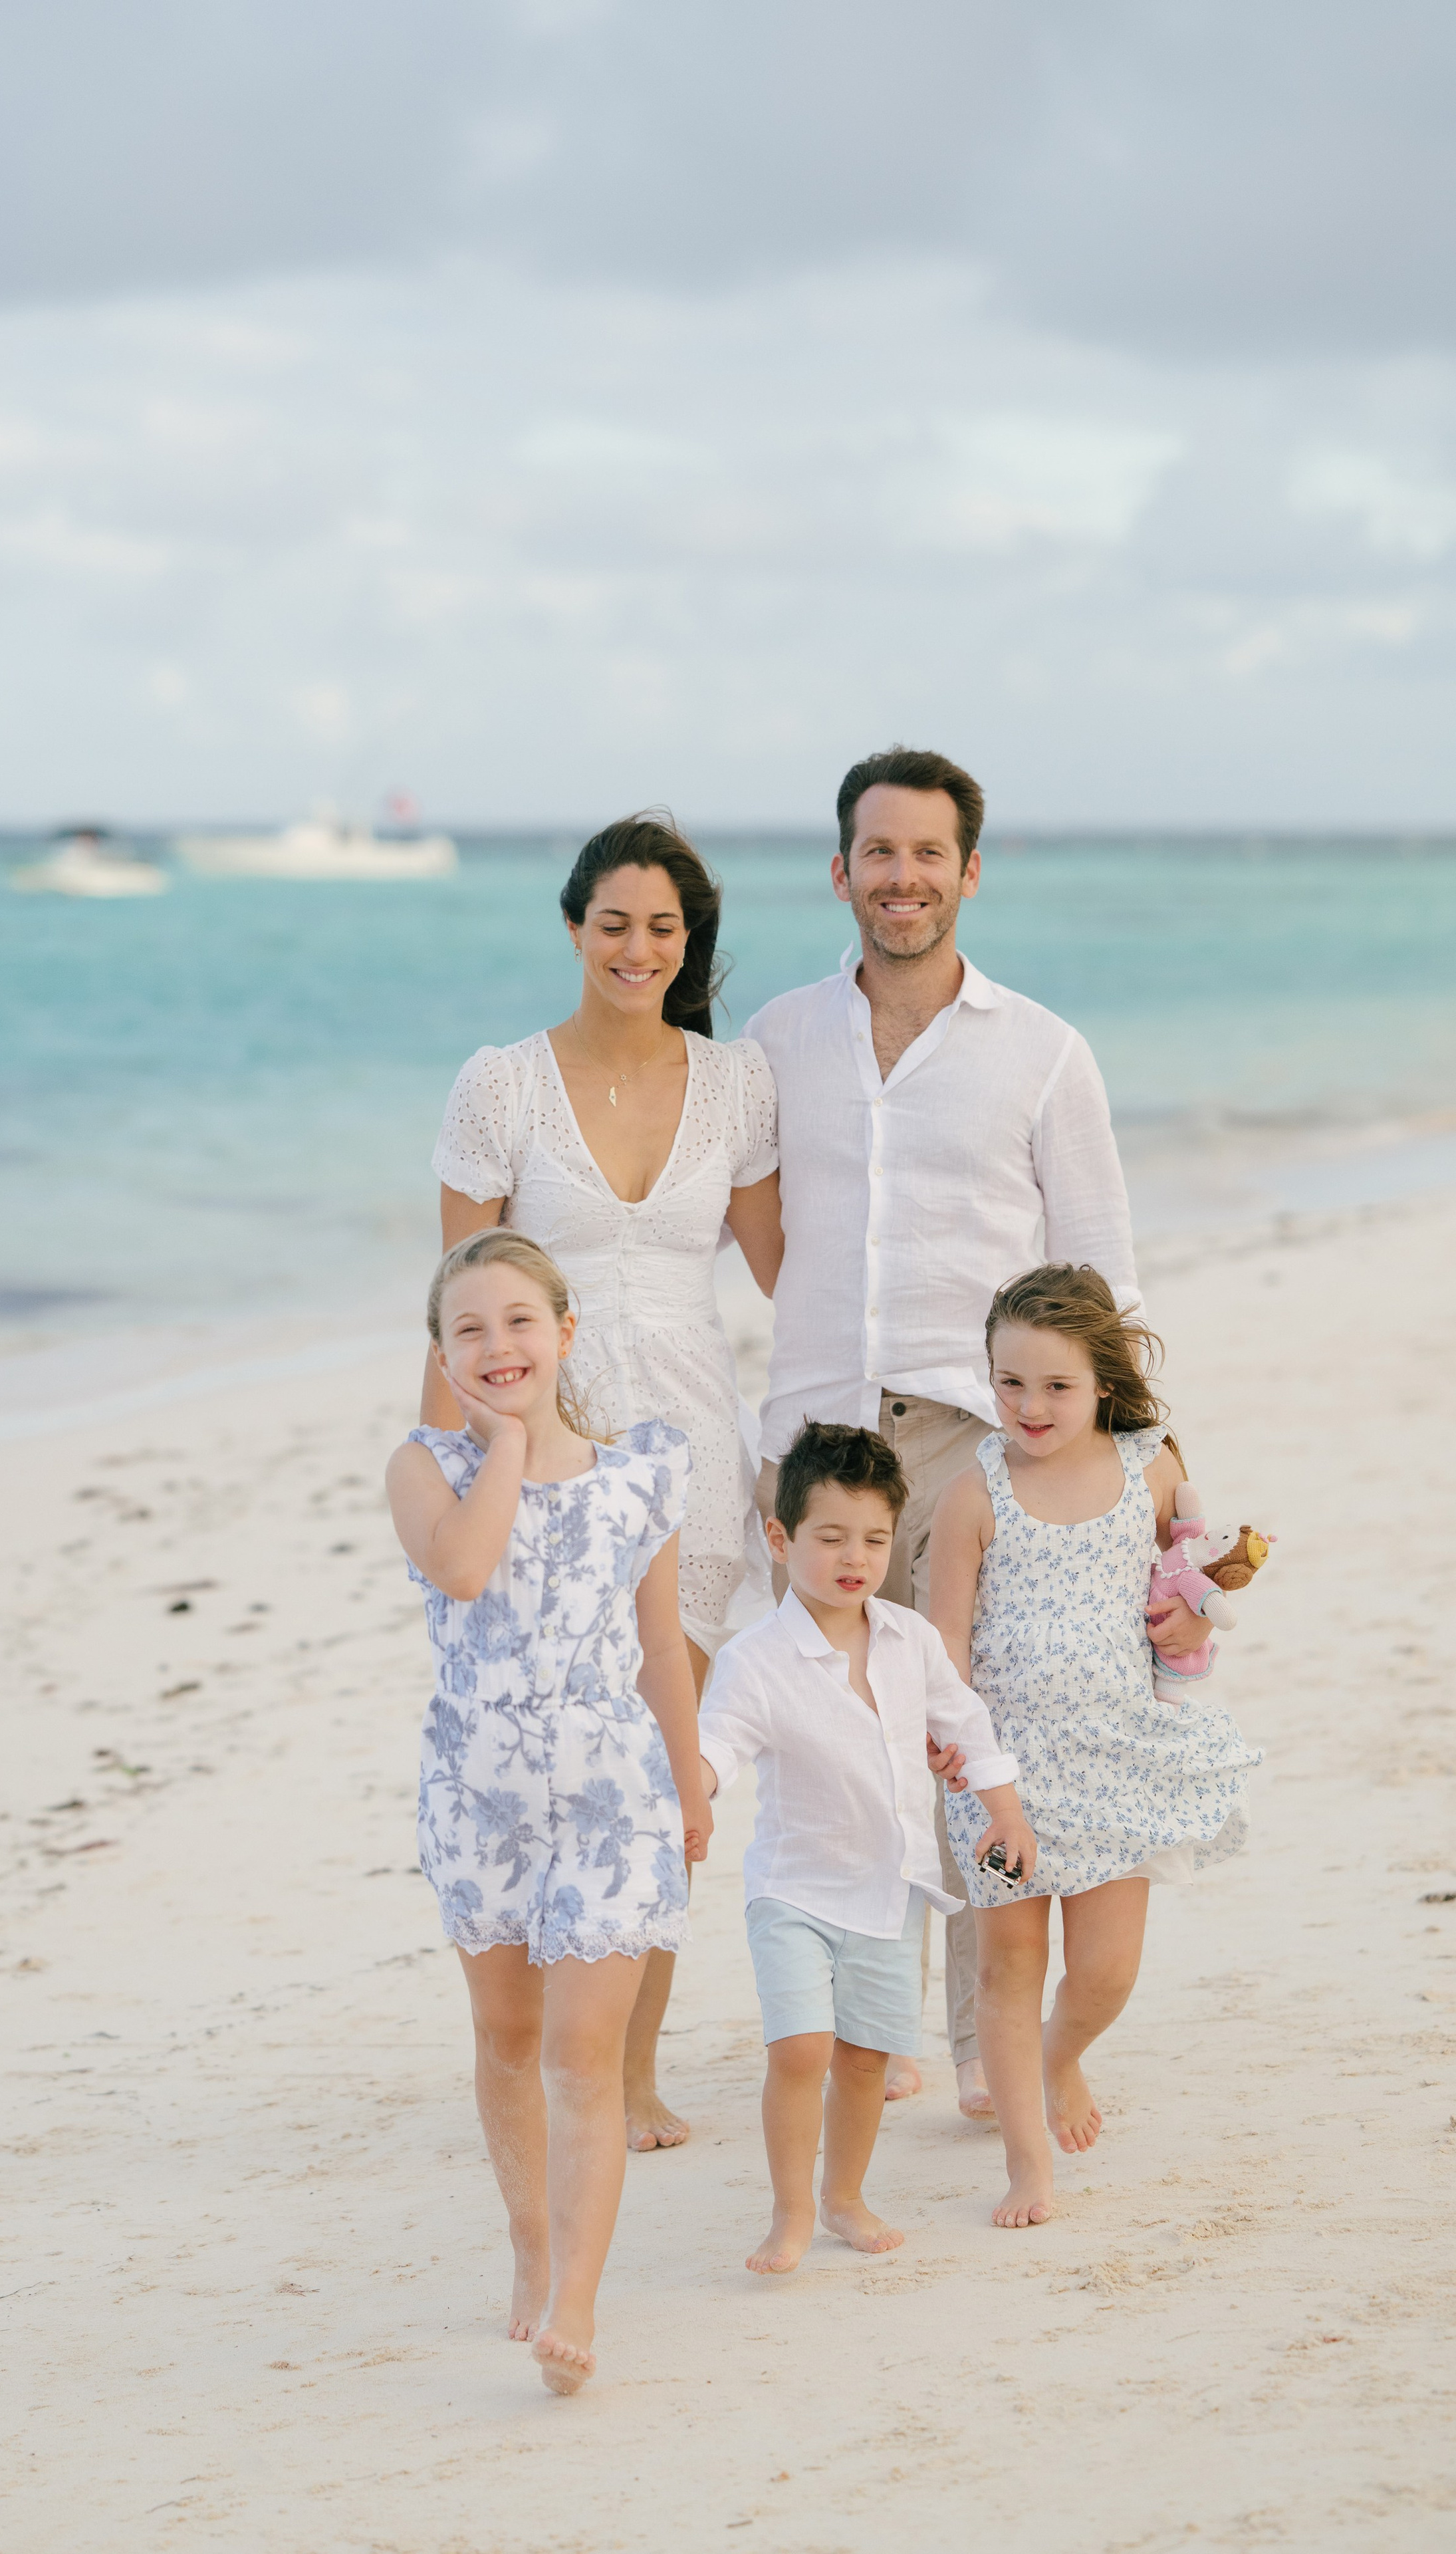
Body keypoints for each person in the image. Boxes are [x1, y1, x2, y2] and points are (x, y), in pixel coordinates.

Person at [744, 744, 1210, 2120]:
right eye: (875, 852)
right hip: (819, 1438)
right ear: (840, 871)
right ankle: (856, 2023)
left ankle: (979, 2049)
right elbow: (754, 1231)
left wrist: (1154, 1494)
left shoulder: (1043, 1052)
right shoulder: (775, 1037)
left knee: (963, 1737)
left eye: (925, 853)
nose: (900, 877)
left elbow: (1101, 1271)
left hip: (975, 1438)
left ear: (967, 871)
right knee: (831, 1743)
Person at [426, 813, 782, 2152]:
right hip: (544, 1460)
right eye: (614, 922)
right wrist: (444, 1483)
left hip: (688, 1456)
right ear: (574, 927)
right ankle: (537, 2044)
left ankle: (628, 2072)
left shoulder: (736, 1084)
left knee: (655, 1766)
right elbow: (455, 1306)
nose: (637, 948)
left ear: (689, 944)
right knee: (549, 1756)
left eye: (664, 927)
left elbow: (782, 1273)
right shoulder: (500, 1088)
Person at [387, 1229, 713, 2392]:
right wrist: (509, 1445)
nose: (497, 1344)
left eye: (519, 1320)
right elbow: (467, 1570)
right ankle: (531, 2245)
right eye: (468, 1328)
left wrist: (690, 1774)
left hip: (615, 1797)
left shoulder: (644, 1473)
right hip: (479, 1805)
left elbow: (663, 1641)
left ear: (565, 1332)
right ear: (443, 1354)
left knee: (584, 2059)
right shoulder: (426, 1468)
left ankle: (577, 2294)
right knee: (510, 2042)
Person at [929, 1263, 1262, 2228]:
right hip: (1006, 1778)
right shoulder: (972, 1494)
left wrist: (1197, 1628)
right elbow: (945, 1638)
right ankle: (1027, 2164)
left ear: (1103, 1383)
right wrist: (947, 1737)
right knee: (1008, 1969)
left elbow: (1189, 1584)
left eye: (1057, 1385)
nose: (1030, 1405)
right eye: (1010, 1382)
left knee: (1107, 1971)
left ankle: (1057, 2055)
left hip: (1119, 1754)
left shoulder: (1149, 1467)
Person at [696, 1422, 1033, 2275]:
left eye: (875, 1538)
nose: (855, 1556)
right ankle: (790, 2211)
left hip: (893, 1889)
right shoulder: (754, 1660)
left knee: (864, 2060)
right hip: (794, 1888)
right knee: (801, 2047)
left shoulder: (909, 1639)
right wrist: (689, 1792)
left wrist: (1007, 1813)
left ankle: (843, 2195)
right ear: (781, 1538)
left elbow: (966, 1722)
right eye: (831, 1536)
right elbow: (718, 1744)